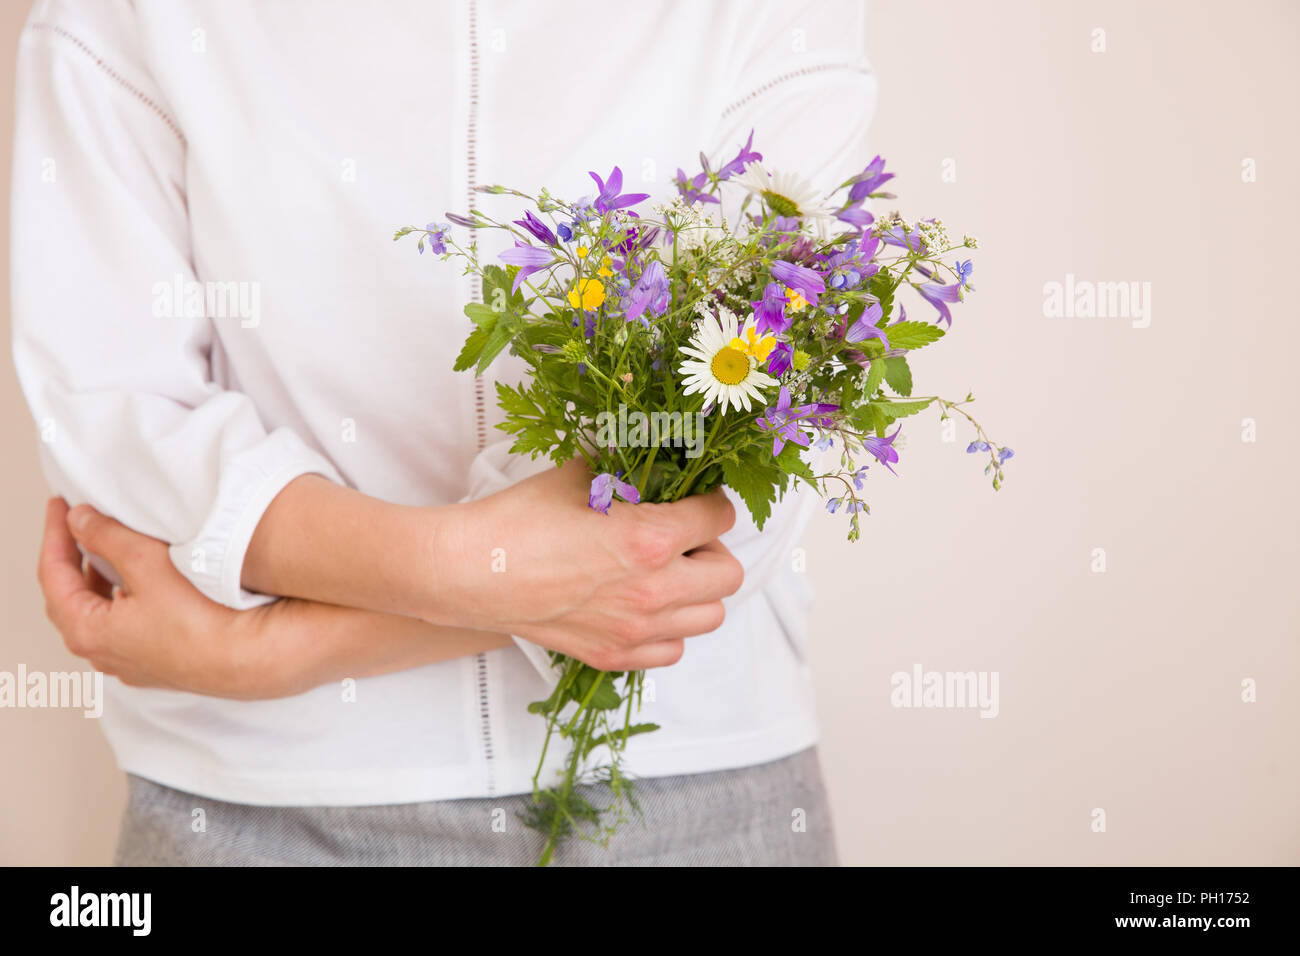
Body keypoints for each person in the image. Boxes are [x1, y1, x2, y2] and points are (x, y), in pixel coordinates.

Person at [14, 0, 878, 865]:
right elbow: (114, 405)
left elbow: (760, 457)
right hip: (253, 806)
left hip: (688, 784)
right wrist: (465, 574)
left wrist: (272, 650)